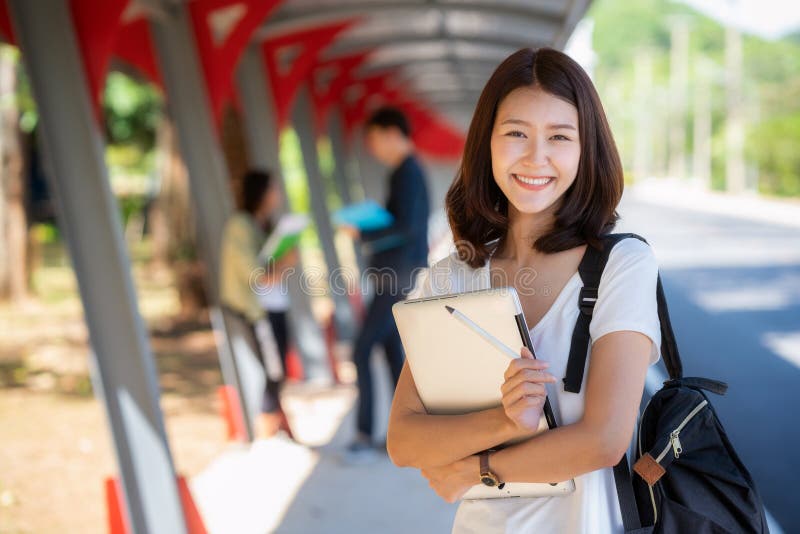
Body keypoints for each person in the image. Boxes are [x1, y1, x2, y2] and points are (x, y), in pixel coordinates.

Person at [386, 47, 662, 533]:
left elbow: (603, 440)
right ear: (486, 143)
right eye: (516, 133)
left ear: (585, 148)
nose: (536, 158)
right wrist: (505, 422)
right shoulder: (453, 276)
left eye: (559, 136)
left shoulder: (622, 264)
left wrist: (473, 469)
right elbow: (405, 441)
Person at [342, 106, 431, 462]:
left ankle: (364, 435)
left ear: (393, 133)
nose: (373, 148)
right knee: (392, 352)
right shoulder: (406, 171)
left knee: (362, 349)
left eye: (375, 139)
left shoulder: (406, 172)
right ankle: (407, 436)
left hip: (398, 275)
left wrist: (362, 229)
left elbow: (406, 227)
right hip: (400, 272)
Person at [220, 169, 298, 439]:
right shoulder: (241, 226)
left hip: (275, 306)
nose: (278, 195)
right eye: (274, 189)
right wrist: (285, 263)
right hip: (258, 310)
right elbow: (257, 276)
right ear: (261, 193)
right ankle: (269, 430)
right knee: (273, 369)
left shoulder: (263, 224)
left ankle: (280, 425)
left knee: (278, 368)